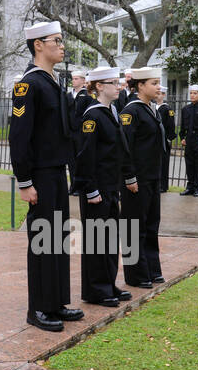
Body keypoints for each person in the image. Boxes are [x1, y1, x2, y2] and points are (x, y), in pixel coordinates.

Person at [9, 20, 83, 333]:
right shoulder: (29, 83)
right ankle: (37, 308)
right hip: (39, 174)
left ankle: (55, 301)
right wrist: (24, 182)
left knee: (57, 239)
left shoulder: (53, 81)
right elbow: (19, 136)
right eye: (56, 40)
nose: (62, 45)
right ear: (38, 44)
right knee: (42, 240)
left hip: (56, 171)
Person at [75, 67, 138, 307]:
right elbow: (85, 155)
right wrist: (90, 189)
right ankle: (96, 290)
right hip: (97, 190)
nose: (118, 86)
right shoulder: (93, 116)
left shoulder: (111, 112)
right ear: (99, 86)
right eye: (113, 82)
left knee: (110, 239)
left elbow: (119, 151)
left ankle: (108, 283)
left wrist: (127, 177)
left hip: (111, 187)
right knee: (97, 241)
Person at [121, 68, 166, 288]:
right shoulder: (132, 111)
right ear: (140, 86)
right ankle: (135, 274)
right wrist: (129, 177)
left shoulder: (151, 109)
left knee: (150, 225)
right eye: (154, 83)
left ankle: (151, 269)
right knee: (133, 227)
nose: (159, 87)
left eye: (159, 83)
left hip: (151, 177)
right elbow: (125, 147)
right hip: (137, 180)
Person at [156, 85, 176, 193]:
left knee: (163, 164)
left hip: (163, 141)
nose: (157, 95)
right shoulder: (152, 106)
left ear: (163, 95)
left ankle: (163, 186)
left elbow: (171, 126)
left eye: (159, 93)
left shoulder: (167, 109)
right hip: (154, 141)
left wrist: (168, 139)